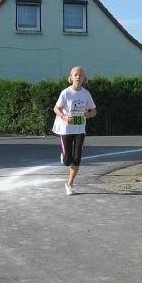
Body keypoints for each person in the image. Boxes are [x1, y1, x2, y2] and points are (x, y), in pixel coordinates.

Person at [52, 66, 97, 195]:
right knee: (67, 162)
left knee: (77, 159)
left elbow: (94, 111)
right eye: (75, 75)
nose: (78, 77)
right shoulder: (66, 93)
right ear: (71, 77)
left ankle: (69, 184)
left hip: (80, 130)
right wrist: (64, 117)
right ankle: (64, 156)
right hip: (66, 129)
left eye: (81, 75)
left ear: (84, 78)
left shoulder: (86, 94)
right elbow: (56, 108)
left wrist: (89, 114)